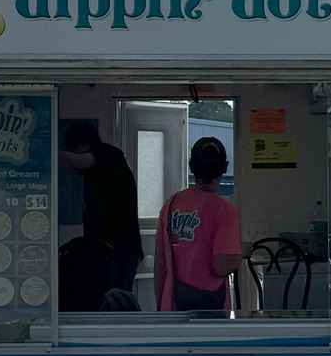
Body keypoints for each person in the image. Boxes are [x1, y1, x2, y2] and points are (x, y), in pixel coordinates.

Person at [155, 136, 242, 314]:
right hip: (211, 310)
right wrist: (241, 253)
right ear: (225, 167)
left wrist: (161, 307)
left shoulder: (171, 204)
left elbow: (160, 264)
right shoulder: (224, 210)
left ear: (191, 166)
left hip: (173, 306)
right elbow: (222, 266)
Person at [59, 120, 143, 296]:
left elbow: (73, 161)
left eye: (73, 148)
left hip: (119, 247)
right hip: (110, 247)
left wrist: (43, 152)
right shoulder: (101, 165)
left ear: (82, 145)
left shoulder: (108, 154)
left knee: (115, 298)